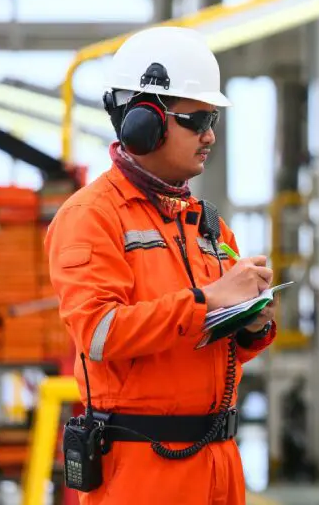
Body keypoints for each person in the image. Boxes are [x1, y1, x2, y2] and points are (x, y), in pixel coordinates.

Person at [45, 26, 277, 505]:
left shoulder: (207, 224)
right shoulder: (91, 217)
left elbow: (214, 349)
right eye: (196, 119)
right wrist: (209, 300)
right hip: (142, 473)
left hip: (218, 467)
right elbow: (100, 332)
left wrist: (251, 324)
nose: (210, 135)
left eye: (213, 119)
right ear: (143, 122)